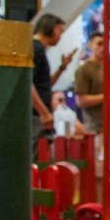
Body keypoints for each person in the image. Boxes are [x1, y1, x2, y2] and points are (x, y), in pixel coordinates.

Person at [30, 14, 72, 151]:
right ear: (52, 29)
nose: (60, 35)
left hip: (37, 114)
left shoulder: (38, 50)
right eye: (60, 30)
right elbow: (28, 84)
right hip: (36, 115)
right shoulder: (36, 49)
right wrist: (44, 113)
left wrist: (62, 68)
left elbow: (45, 84)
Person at [72, 33, 108, 133]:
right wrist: (106, 97)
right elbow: (81, 101)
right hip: (94, 126)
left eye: (105, 44)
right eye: (99, 44)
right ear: (90, 45)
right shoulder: (83, 70)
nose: (103, 48)